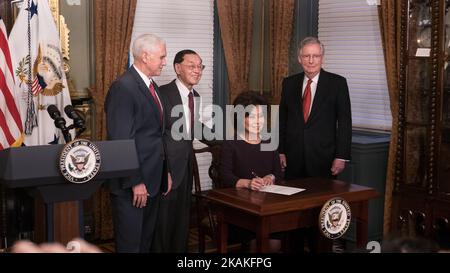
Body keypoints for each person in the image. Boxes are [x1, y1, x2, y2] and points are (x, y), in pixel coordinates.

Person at [104, 33, 168, 253]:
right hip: (133, 185)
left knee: (145, 244)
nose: (164, 62)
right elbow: (122, 140)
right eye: (161, 57)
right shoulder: (124, 87)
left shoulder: (151, 86)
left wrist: (164, 172)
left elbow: (155, 135)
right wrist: (135, 181)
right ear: (145, 56)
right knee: (131, 245)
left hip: (152, 180)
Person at [152, 49, 213, 252]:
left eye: (200, 66)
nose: (197, 71)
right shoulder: (162, 94)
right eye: (191, 66)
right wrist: (163, 171)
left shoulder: (194, 96)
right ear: (178, 68)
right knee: (163, 224)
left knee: (182, 224)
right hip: (167, 170)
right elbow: (156, 136)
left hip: (186, 168)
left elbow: (195, 129)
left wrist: (232, 139)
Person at [279, 36, 352, 180]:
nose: (311, 61)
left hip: (324, 160)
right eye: (306, 56)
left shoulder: (337, 84)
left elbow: (345, 122)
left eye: (316, 56)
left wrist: (341, 156)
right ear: (300, 59)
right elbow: (282, 120)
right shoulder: (288, 83)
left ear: (322, 58)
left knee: (321, 201)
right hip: (292, 159)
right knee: (293, 202)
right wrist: (280, 151)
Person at [220, 91, 282, 252]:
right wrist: (248, 183)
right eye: (252, 117)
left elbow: (279, 172)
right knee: (263, 240)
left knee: (280, 236)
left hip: (268, 207)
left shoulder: (269, 140)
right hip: (240, 211)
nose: (258, 122)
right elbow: (225, 176)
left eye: (261, 116)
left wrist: (271, 176)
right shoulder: (231, 143)